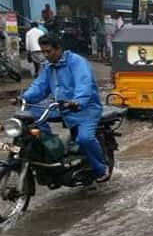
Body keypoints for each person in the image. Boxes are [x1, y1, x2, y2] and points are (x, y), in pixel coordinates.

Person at [21, 34, 110, 182]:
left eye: (48, 51)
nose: (45, 55)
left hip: (85, 108)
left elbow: (83, 84)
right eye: (43, 52)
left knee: (84, 139)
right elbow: (39, 87)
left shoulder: (77, 62)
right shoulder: (48, 66)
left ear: (58, 49)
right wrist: (24, 98)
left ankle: (101, 169)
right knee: (30, 114)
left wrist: (77, 101)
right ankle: (50, 147)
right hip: (59, 107)